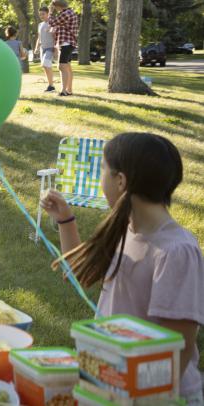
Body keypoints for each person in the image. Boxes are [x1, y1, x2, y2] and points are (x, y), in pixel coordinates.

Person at [41, 133, 203, 404]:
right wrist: (65, 220)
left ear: (120, 181)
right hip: (115, 384)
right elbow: (82, 274)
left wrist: (135, 396)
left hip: (159, 395)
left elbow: (179, 347)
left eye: (103, 169)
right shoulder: (126, 230)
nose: (100, 177)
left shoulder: (176, 251)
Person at [49, 0, 78, 96]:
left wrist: (50, 12)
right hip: (68, 43)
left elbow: (52, 23)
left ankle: (64, 91)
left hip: (66, 43)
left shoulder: (65, 14)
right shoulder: (69, 12)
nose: (55, 9)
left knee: (61, 66)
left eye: (55, 7)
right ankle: (69, 90)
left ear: (58, 6)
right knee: (67, 67)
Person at [35, 6, 57, 92]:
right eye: (40, 14)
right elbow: (39, 37)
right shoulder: (40, 25)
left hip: (50, 48)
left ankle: (51, 85)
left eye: (43, 14)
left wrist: (55, 49)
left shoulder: (51, 23)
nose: (41, 16)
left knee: (46, 64)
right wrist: (36, 47)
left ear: (48, 14)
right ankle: (50, 85)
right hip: (42, 49)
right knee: (45, 66)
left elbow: (55, 36)